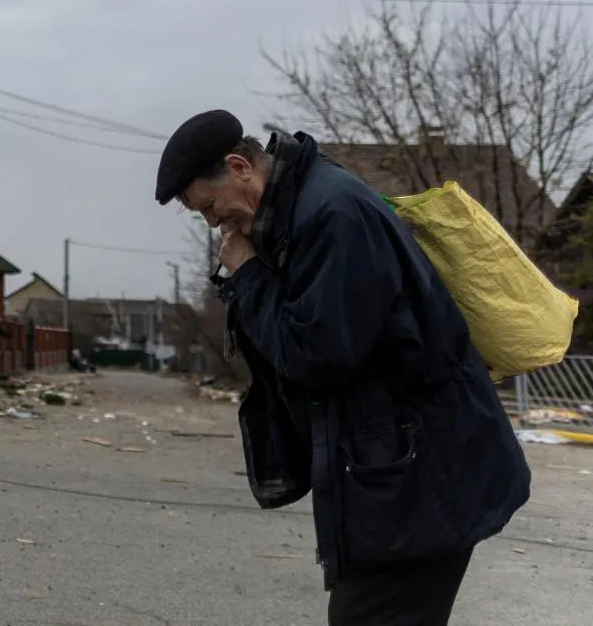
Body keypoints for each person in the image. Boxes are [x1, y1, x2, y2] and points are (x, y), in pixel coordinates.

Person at [155, 111, 530, 626]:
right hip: (399, 474)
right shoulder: (305, 208)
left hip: (422, 479)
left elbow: (319, 355)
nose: (215, 223)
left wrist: (247, 278)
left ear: (241, 166)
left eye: (210, 207)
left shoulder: (333, 215)